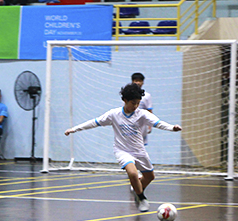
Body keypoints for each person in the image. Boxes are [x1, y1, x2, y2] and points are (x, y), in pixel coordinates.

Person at [64, 83, 182, 212]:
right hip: (122, 150)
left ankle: (137, 190)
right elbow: (94, 122)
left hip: (139, 151)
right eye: (133, 103)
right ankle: (141, 197)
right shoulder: (114, 114)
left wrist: (172, 128)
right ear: (124, 100)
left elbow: (157, 123)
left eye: (138, 103)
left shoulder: (141, 114)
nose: (136, 106)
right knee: (132, 173)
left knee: (150, 177)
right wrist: (74, 129)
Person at [131, 72, 153, 146]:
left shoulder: (147, 96)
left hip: (141, 124)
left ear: (143, 82)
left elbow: (149, 110)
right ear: (132, 82)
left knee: (139, 146)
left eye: (139, 81)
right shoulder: (128, 94)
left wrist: (150, 125)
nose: (138, 83)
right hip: (130, 122)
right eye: (136, 81)